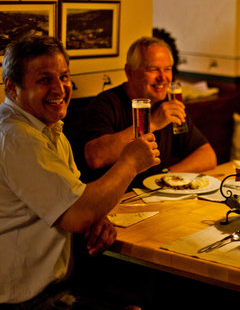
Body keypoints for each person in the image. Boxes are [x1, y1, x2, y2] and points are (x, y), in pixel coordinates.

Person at [0, 36, 160, 307]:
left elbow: (77, 201)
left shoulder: (49, 129)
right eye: (44, 79)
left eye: (63, 76)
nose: (60, 88)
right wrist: (130, 162)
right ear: (12, 88)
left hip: (61, 291)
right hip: (26, 302)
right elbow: (76, 215)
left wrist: (97, 219)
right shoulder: (17, 138)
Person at [78, 36, 217, 190]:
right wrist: (152, 123)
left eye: (167, 69)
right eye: (153, 69)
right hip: (117, 200)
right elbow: (95, 157)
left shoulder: (168, 104)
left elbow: (208, 155)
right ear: (129, 72)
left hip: (155, 196)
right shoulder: (106, 103)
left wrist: (166, 176)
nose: (163, 77)